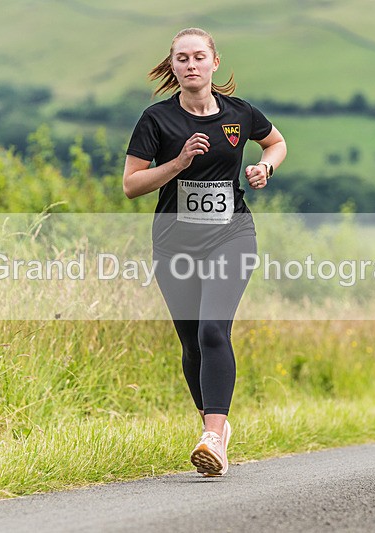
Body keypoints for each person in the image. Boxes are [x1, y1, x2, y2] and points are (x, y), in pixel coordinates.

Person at [123, 27, 286, 476]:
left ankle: (213, 435)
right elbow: (131, 185)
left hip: (231, 234)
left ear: (215, 62)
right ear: (172, 67)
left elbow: (276, 142)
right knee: (192, 342)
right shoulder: (156, 120)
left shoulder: (240, 113)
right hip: (174, 242)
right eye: (182, 58)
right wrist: (176, 165)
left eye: (199, 57)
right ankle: (213, 432)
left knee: (214, 329)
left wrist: (263, 168)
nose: (191, 65)